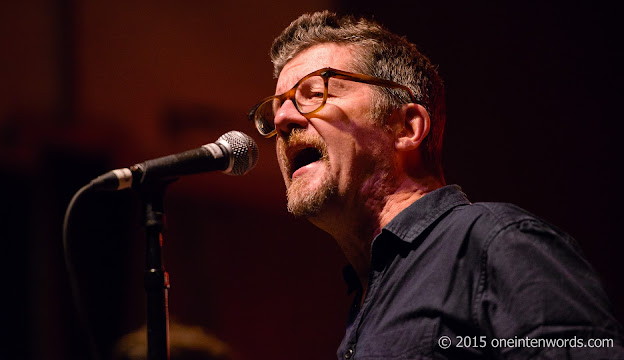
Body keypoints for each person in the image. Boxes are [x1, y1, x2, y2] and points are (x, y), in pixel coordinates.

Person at [247, 10, 624, 359]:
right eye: (277, 106)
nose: (282, 119)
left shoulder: (496, 245)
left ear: (407, 128)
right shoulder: (363, 300)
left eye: (313, 93)